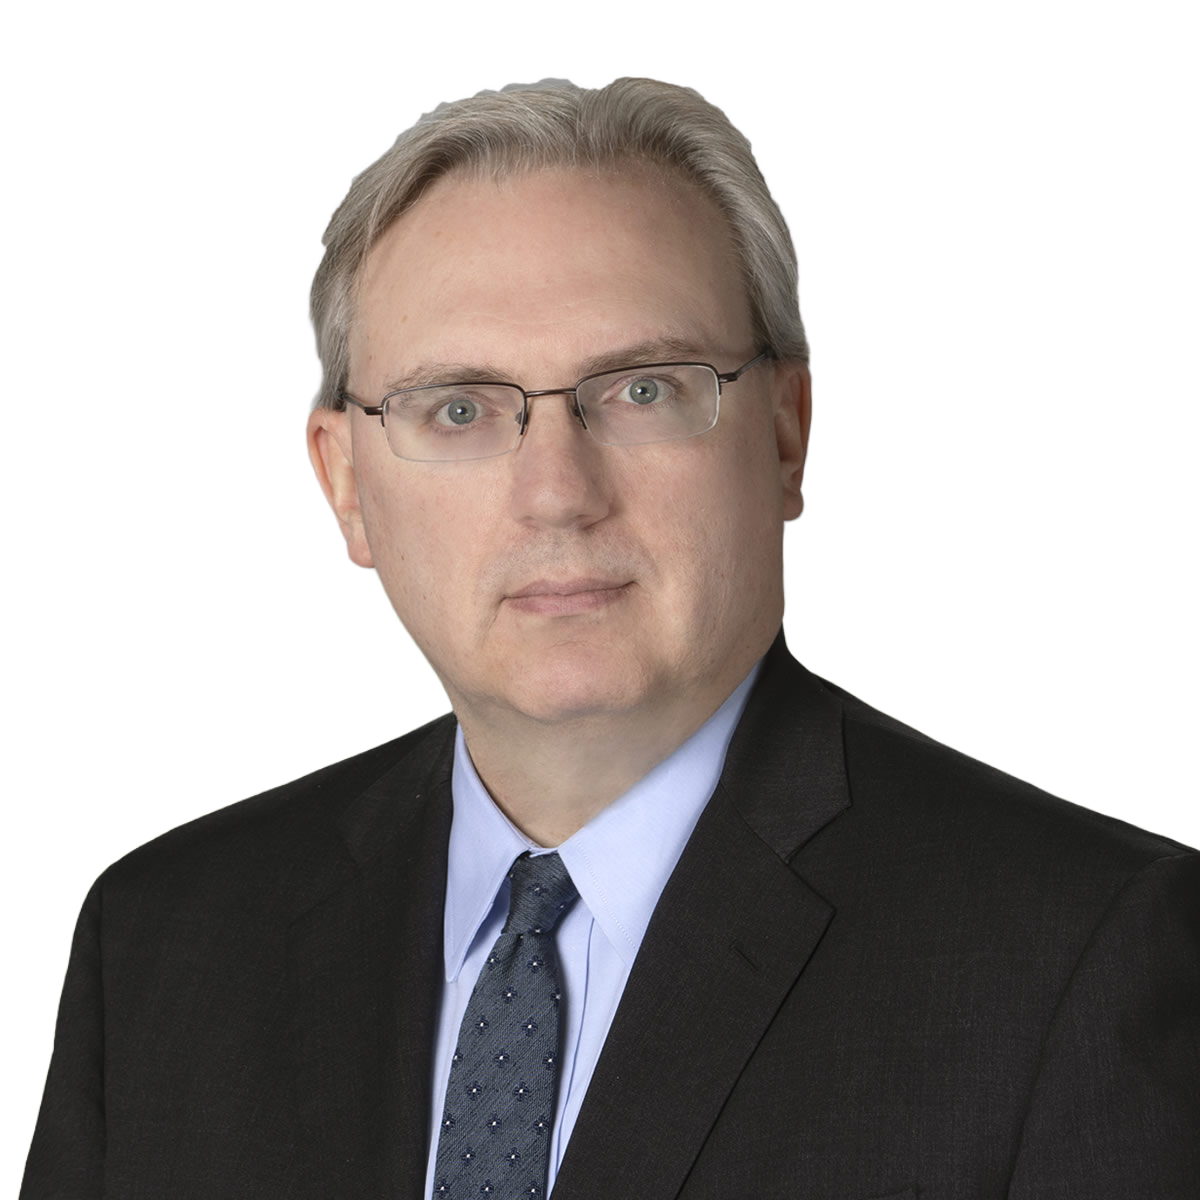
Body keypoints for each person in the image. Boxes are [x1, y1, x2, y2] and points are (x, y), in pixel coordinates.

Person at [23, 77, 1200, 1200]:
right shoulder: (165, 941)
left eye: (642, 390)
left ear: (785, 436)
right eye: (459, 408)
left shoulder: (1085, 954)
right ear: (345, 484)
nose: (556, 494)